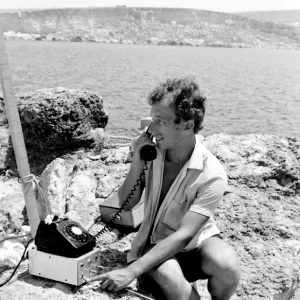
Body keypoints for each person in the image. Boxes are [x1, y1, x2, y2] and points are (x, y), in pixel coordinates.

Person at [89, 77, 241, 300]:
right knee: (184, 295)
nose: (151, 127)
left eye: (160, 121)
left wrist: (131, 272)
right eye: (152, 119)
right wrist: (137, 165)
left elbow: (185, 234)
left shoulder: (212, 175)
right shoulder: (151, 152)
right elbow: (125, 205)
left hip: (196, 242)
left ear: (187, 125)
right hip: (155, 244)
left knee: (228, 267)